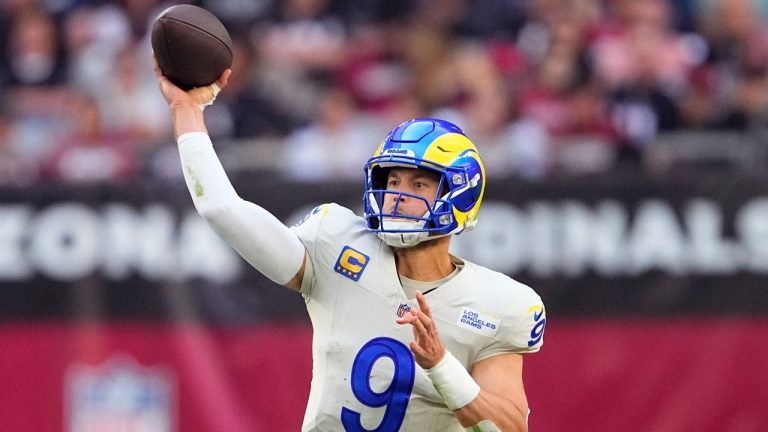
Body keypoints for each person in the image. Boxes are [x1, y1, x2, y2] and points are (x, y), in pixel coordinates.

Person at [153, 58, 546, 432]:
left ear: (460, 195)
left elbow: (508, 425)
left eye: (418, 184)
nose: (398, 195)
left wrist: (441, 366)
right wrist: (187, 109)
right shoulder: (337, 243)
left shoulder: (498, 303)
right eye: (392, 182)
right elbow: (223, 210)